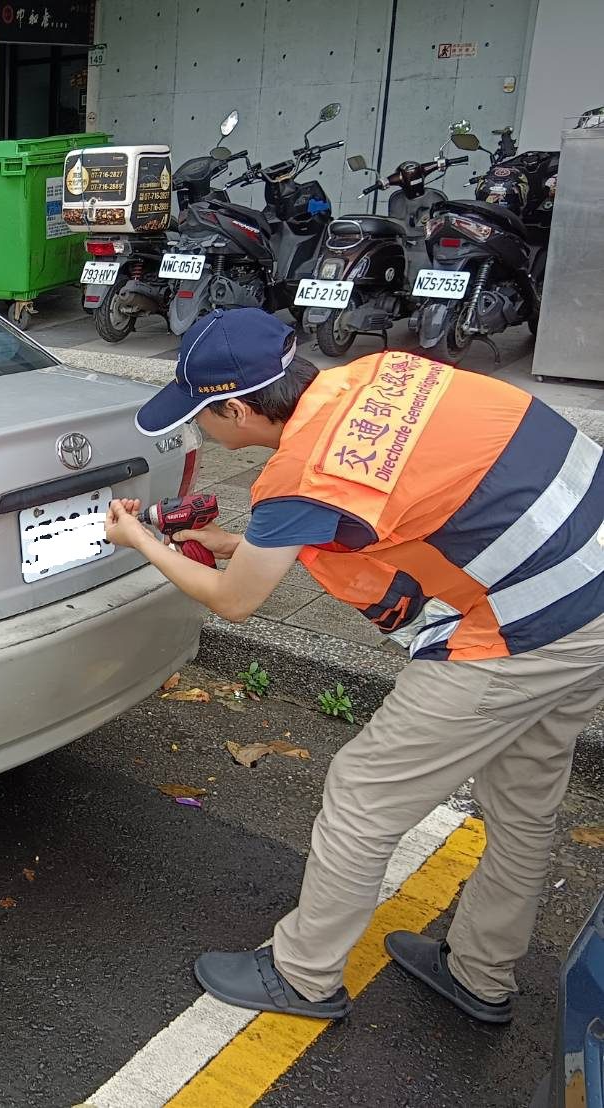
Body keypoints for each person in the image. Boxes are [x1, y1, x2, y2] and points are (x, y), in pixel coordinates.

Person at [103, 307, 604, 1023]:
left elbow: (234, 601)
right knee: (525, 798)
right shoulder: (383, 375)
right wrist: (240, 543)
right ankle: (481, 973)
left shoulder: (303, 473)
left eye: (200, 418)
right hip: (590, 583)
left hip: (530, 623)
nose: (200, 432)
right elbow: (389, 498)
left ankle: (302, 975)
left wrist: (141, 542)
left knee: (364, 794)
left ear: (237, 411)